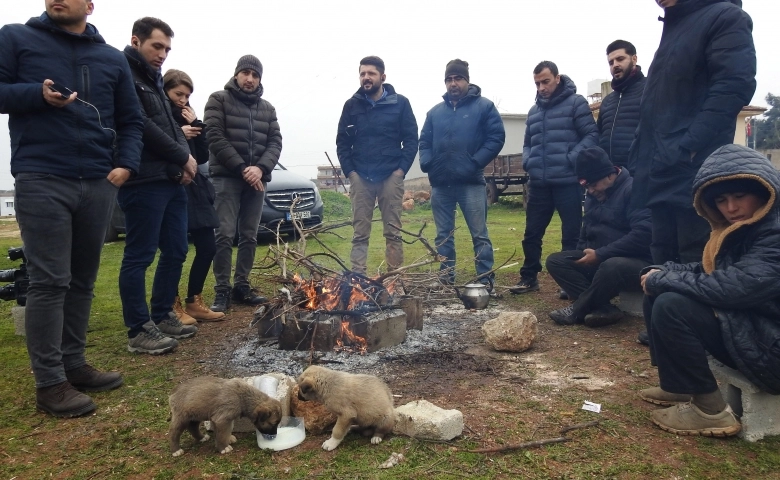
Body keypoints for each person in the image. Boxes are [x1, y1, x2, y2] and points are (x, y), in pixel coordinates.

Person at [0, 0, 143, 417]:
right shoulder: (16, 37)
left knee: (82, 279)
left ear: (90, 5)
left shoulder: (111, 58)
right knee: (49, 281)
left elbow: (130, 119)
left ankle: (73, 364)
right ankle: (49, 384)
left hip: (98, 181)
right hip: (42, 176)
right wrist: (37, 95)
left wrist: (125, 165)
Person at [629, 0, 755, 345]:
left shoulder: (725, 16)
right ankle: (666, 345)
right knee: (661, 256)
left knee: (695, 256)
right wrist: (640, 151)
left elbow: (734, 85)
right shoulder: (674, 26)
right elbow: (657, 102)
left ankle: (697, 346)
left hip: (692, 167)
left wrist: (690, 144)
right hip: (659, 164)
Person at [638, 145, 780, 437]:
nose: (730, 208)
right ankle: (678, 386)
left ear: (765, 191)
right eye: (722, 200)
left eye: (740, 196)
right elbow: (710, 270)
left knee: (671, 305)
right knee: (660, 291)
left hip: (771, 345)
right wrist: (663, 272)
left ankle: (710, 412)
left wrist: (664, 281)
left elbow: (735, 288)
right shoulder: (747, 228)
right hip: (759, 329)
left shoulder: (774, 233)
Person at [120, 17, 198, 355]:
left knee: (177, 249)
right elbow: (143, 127)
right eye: (157, 46)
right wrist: (183, 157)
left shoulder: (153, 80)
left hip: (169, 180)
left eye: (167, 48)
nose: (163, 54)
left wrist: (178, 164)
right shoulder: (125, 76)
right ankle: (138, 329)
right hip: (143, 180)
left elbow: (165, 129)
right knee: (139, 255)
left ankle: (162, 313)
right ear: (136, 41)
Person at [510, 61, 598, 295]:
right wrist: (529, 161)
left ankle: (568, 282)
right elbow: (527, 143)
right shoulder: (534, 111)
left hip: (568, 182)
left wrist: (571, 158)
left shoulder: (576, 103)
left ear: (557, 78)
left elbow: (591, 134)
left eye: (545, 81)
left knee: (571, 235)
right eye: (537, 83)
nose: (541, 87)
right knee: (532, 234)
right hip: (539, 184)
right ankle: (529, 277)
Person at [419, 59, 505, 289]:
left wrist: (475, 163)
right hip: (440, 184)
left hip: (471, 183)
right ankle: (446, 278)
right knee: (443, 236)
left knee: (479, 234)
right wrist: (427, 162)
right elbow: (424, 141)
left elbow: (496, 138)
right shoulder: (434, 113)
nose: (453, 83)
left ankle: (485, 278)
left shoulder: (484, 107)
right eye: (449, 79)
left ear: (467, 80)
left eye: (458, 78)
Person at [205, 55, 281, 312]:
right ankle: (222, 290)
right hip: (227, 178)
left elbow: (275, 142)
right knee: (224, 234)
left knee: (250, 235)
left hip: (257, 180)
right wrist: (241, 168)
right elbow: (214, 135)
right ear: (236, 74)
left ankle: (241, 286)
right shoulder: (218, 99)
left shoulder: (268, 109)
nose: (249, 79)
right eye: (245, 73)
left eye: (255, 74)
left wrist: (260, 169)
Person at [546, 147, 652, 327]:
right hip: (600, 259)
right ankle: (603, 309)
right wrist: (581, 255)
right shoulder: (594, 194)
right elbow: (585, 229)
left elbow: (644, 235)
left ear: (610, 175)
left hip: (635, 263)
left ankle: (578, 309)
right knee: (556, 261)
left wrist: (601, 254)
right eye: (586, 186)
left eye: (593, 185)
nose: (591, 190)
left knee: (612, 265)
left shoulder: (633, 190)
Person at [336, 56, 418, 276]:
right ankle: (359, 279)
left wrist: (400, 172)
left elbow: (411, 140)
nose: (366, 78)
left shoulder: (400, 104)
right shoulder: (351, 105)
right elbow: (342, 142)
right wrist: (351, 173)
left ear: (382, 76)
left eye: (371, 73)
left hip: (390, 176)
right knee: (360, 233)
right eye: (362, 74)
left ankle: (394, 281)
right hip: (360, 177)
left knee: (393, 231)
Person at [163, 69, 224, 323]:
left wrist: (197, 125)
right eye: (178, 93)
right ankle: (171, 303)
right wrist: (179, 133)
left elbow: (203, 157)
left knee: (208, 247)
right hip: (170, 186)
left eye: (187, 95)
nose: (182, 99)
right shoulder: (161, 116)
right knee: (174, 250)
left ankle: (194, 300)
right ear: (165, 91)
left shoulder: (188, 115)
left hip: (195, 189)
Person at [597, 40, 645, 169]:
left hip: (643, 175)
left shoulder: (650, 90)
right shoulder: (607, 101)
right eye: (611, 62)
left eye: (620, 59)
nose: (615, 65)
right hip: (612, 178)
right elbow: (599, 136)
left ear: (634, 59)